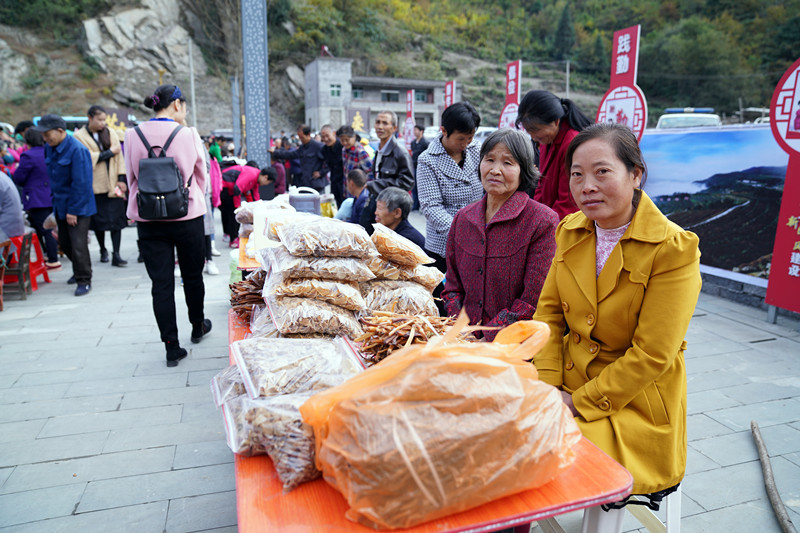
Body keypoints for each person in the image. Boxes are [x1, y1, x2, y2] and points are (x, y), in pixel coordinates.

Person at [532, 123, 701, 525]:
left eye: (602, 171)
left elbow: (652, 354)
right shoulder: (570, 232)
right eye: (577, 174)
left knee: (530, 449)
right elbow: (549, 316)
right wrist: (548, 387)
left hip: (633, 406)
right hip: (566, 386)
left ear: (636, 174)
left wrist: (575, 403)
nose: (586, 185)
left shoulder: (673, 250)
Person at [124, 84, 212, 367]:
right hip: (187, 215)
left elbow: (131, 178)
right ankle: (197, 326)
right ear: (176, 105)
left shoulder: (132, 134)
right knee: (192, 275)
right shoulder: (188, 134)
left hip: (149, 219)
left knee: (160, 284)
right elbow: (202, 175)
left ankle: (171, 347)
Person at [442, 128, 558, 340]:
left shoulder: (542, 221)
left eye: (508, 163)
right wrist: (461, 332)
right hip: (462, 343)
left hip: (513, 348)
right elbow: (451, 288)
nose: (495, 170)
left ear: (524, 170)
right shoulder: (463, 218)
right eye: (489, 160)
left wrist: (486, 340)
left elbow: (531, 300)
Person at [417, 102, 483, 275]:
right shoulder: (428, 160)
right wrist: (461, 232)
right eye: (461, 139)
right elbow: (431, 206)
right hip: (443, 244)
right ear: (444, 131)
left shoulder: (476, 149)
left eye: (470, 137)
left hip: (479, 237)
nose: (466, 143)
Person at [34, 114, 96, 296]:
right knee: (66, 243)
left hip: (79, 206)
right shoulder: (49, 148)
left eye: (47, 134)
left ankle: (84, 279)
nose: (45, 138)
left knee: (78, 244)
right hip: (60, 204)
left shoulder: (77, 150)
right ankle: (78, 268)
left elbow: (81, 183)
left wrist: (74, 211)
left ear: (60, 131)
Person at [516, 89, 593, 219]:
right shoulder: (547, 140)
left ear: (556, 121)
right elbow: (541, 184)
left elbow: (568, 201)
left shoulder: (572, 144)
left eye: (536, 130)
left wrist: (545, 225)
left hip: (566, 222)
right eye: (529, 132)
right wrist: (535, 216)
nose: (534, 138)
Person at [74, 105, 129, 266]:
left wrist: (121, 179)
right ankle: (103, 249)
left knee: (117, 221)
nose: (103, 123)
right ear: (90, 118)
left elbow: (120, 158)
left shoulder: (110, 132)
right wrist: (110, 152)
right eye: (99, 120)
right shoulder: (79, 136)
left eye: (104, 120)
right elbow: (86, 157)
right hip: (95, 185)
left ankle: (116, 253)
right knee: (98, 222)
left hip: (114, 183)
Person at [12, 128, 60, 268]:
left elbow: (20, 177)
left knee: (44, 229)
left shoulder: (28, 155)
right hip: (51, 195)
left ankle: (52, 259)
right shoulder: (50, 151)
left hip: (36, 198)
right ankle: (50, 255)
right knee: (49, 227)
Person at [360, 110, 414, 233]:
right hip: (376, 202)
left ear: (394, 128)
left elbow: (407, 182)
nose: (380, 127)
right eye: (378, 122)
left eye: (385, 123)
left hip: (391, 210)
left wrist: (374, 185)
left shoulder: (400, 152)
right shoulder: (378, 149)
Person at [269, 124, 326, 193]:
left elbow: (330, 161)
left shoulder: (318, 146)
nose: (301, 140)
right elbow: (290, 154)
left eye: (302, 137)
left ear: (308, 134)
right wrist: (275, 152)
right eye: (299, 138)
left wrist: (321, 172)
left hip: (316, 185)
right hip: (305, 183)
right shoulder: (302, 147)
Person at [337, 125, 373, 192]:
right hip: (348, 189)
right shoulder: (344, 150)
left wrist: (365, 188)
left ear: (354, 137)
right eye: (342, 140)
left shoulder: (360, 152)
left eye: (347, 140)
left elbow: (370, 172)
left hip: (359, 192)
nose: (345, 142)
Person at [319, 124, 345, 206]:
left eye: (327, 136)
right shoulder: (324, 149)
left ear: (334, 133)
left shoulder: (343, 146)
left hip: (344, 182)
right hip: (334, 181)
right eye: (323, 137)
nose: (325, 139)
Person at [410, 123, 429, 210]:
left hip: (422, 167)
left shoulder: (425, 143)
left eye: (416, 130)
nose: (414, 132)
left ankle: (422, 205)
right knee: (414, 186)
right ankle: (415, 205)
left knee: (421, 187)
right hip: (413, 166)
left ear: (421, 131)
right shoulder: (413, 143)